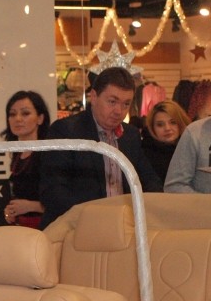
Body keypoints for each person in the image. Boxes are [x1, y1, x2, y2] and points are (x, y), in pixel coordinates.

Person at [38, 66, 161, 229]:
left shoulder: (130, 135)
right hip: (77, 227)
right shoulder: (66, 130)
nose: (119, 111)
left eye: (126, 104)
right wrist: (96, 217)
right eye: (112, 101)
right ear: (94, 97)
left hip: (122, 227)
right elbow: (52, 191)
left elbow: (150, 180)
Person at [1, 90, 51, 228]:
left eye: (25, 113)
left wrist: (31, 206)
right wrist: (10, 212)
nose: (17, 119)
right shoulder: (17, 155)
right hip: (21, 229)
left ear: (40, 118)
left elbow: (62, 202)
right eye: (12, 114)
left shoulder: (48, 153)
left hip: (45, 230)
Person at [141, 100, 191, 181]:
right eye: (160, 125)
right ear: (152, 128)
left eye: (173, 122)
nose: (167, 128)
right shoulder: (145, 155)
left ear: (181, 123)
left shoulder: (191, 148)